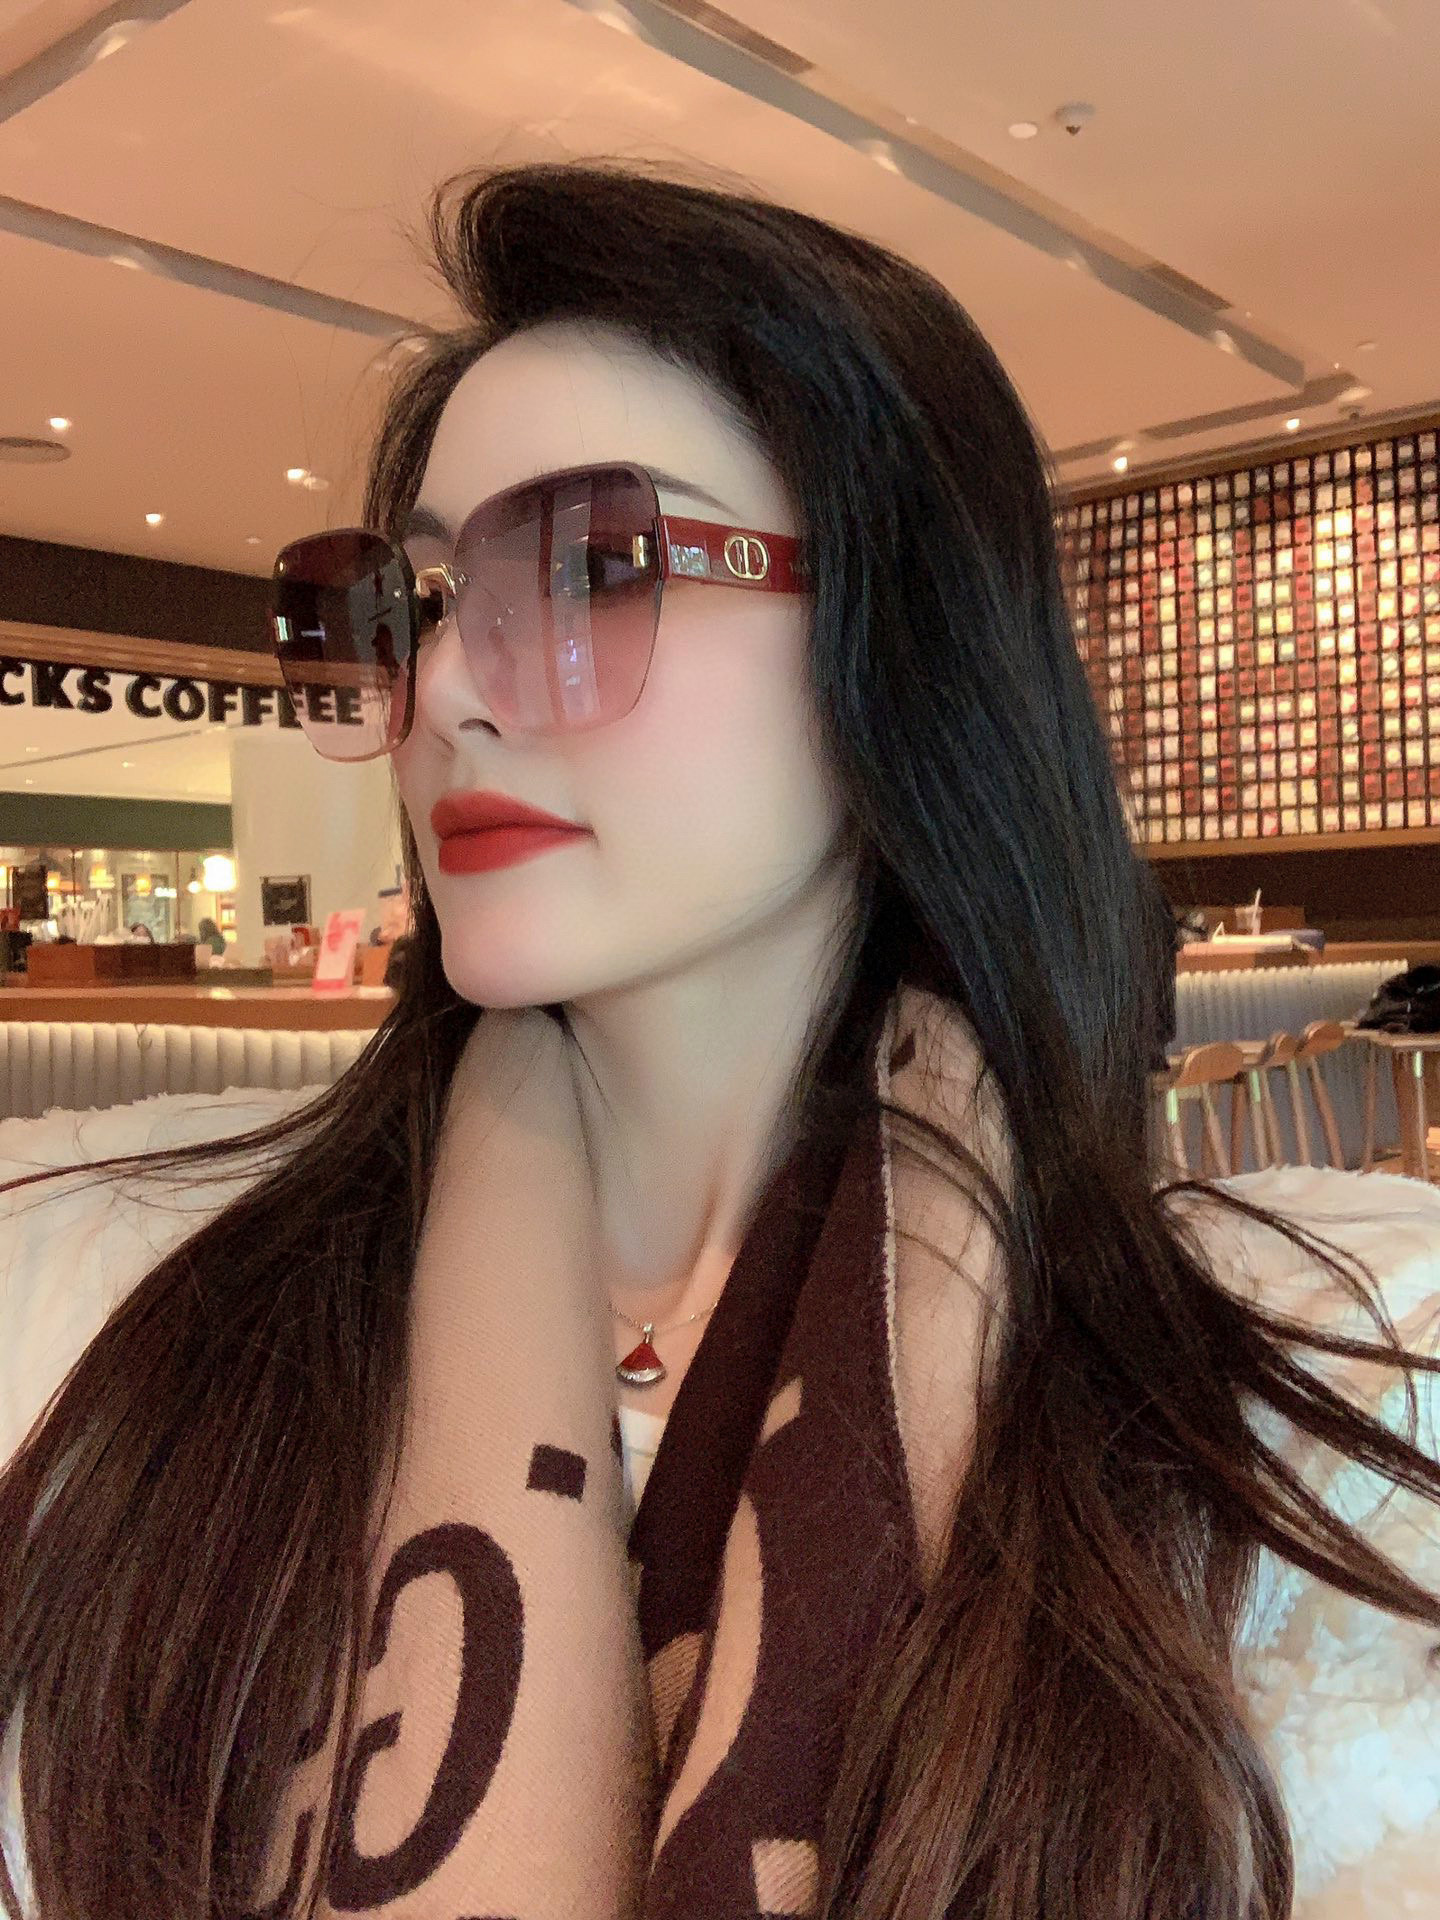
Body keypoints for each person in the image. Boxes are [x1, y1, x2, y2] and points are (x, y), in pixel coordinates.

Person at [1, 163, 1438, 1920]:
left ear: (899, 649)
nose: (445, 689)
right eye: (422, 598)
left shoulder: (1340, 1416)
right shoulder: (91, 1308)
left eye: (594, 567)